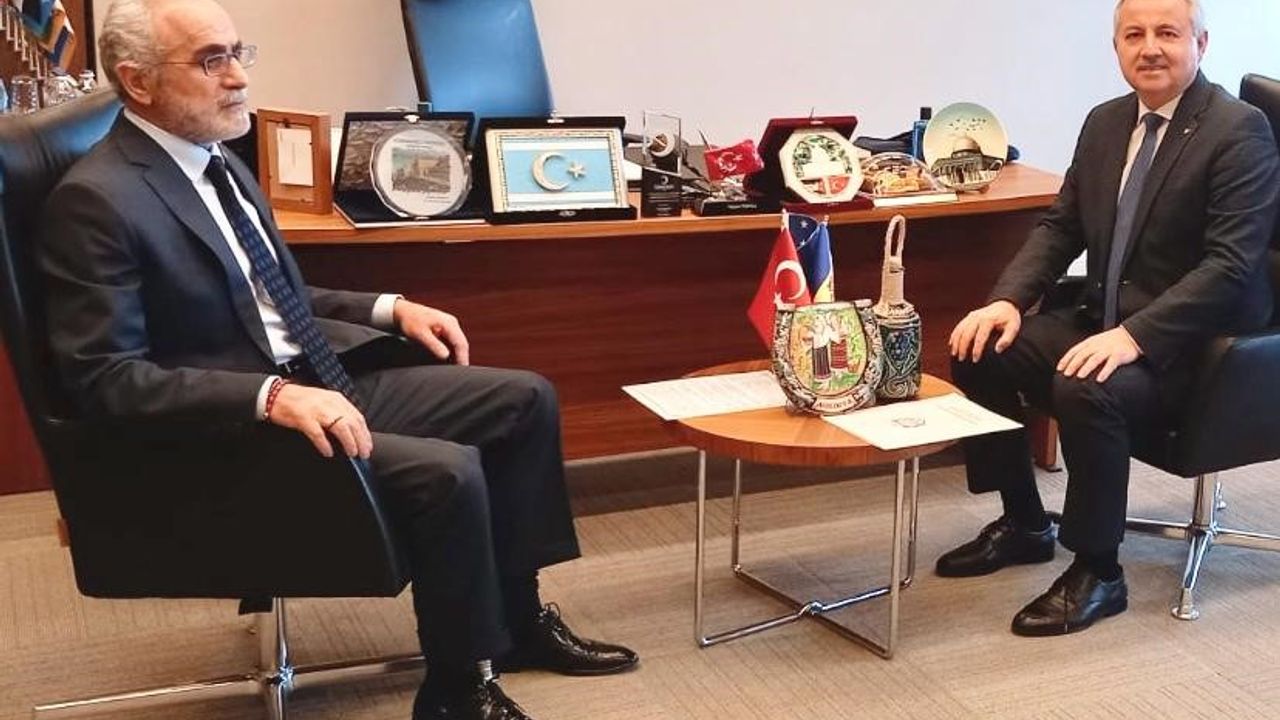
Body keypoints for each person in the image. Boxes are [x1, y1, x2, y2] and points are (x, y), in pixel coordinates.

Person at [38, 1, 638, 717]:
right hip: (230, 429)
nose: (238, 77)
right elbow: (105, 378)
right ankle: (458, 690)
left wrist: (389, 307)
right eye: (210, 60)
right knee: (446, 472)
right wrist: (272, 397)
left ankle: (517, 621)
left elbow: (265, 291)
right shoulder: (98, 201)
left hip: (311, 379)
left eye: (237, 53)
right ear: (138, 82)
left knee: (522, 399)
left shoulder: (215, 159)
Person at [939, 0, 1279, 636]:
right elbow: (1060, 226)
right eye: (1134, 34)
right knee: (979, 347)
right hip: (1107, 318)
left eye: (1167, 33)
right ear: (1117, 46)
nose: (1150, 48)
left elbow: (1230, 267)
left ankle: (1098, 570)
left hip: (1199, 349)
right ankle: (1025, 523)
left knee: (1085, 384)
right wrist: (1006, 300)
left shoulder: (1239, 131)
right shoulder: (1105, 122)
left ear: (1201, 44)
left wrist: (1133, 337)